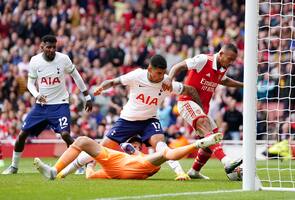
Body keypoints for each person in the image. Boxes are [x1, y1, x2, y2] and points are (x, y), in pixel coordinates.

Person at [61, 55, 202, 180]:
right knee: (101, 148)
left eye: (163, 73)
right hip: (127, 120)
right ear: (149, 69)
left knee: (161, 145)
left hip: (149, 120)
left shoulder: (166, 83)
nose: (161, 77)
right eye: (158, 73)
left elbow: (191, 90)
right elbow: (113, 82)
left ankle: (180, 173)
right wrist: (102, 87)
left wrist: (201, 110)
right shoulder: (137, 76)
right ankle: (66, 172)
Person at [2, 35, 93, 174]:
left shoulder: (63, 59)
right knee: (22, 134)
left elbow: (76, 76)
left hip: (60, 105)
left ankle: (79, 164)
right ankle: (14, 166)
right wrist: (37, 95)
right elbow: (30, 84)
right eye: (48, 47)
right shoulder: (35, 61)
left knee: (65, 135)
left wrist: (87, 95)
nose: (51, 50)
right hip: (41, 107)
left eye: (54, 47)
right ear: (42, 47)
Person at [162, 43, 244, 179]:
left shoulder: (223, 68)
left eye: (233, 60)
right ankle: (226, 162)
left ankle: (194, 171)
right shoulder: (203, 60)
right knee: (205, 126)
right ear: (221, 54)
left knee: (214, 137)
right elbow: (179, 66)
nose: (231, 63)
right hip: (187, 102)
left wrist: (243, 84)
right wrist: (170, 78)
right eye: (229, 59)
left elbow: (224, 81)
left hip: (202, 108)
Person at [34, 133, 223, 180]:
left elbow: (84, 165)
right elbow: (85, 167)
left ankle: (198, 144)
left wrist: (66, 173)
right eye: (133, 144)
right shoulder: (111, 157)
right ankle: (54, 171)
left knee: (165, 152)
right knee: (83, 141)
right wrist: (63, 174)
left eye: (137, 144)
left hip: (136, 166)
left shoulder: (139, 155)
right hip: (125, 166)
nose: (134, 146)